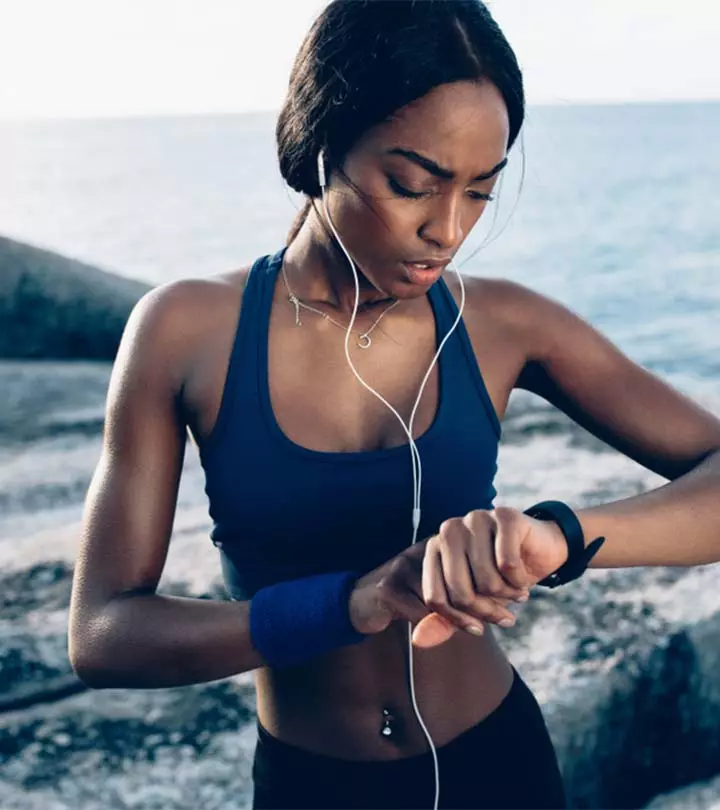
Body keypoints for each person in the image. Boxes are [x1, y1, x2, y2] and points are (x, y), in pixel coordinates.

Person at [68, 1, 720, 808]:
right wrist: (353, 604)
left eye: (481, 192)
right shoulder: (186, 330)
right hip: (313, 785)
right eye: (412, 185)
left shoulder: (505, 324)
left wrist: (558, 538)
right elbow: (103, 636)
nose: (447, 230)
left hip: (500, 766)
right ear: (320, 144)